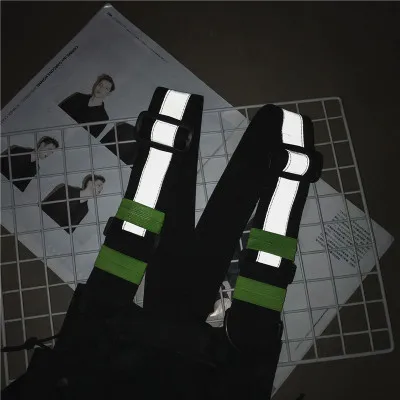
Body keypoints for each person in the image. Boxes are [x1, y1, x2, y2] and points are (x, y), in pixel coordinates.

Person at [41, 174, 105, 233]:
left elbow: (68, 230)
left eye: (101, 188)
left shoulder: (85, 210)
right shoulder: (66, 190)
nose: (100, 190)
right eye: (99, 185)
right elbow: (45, 207)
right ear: (90, 182)